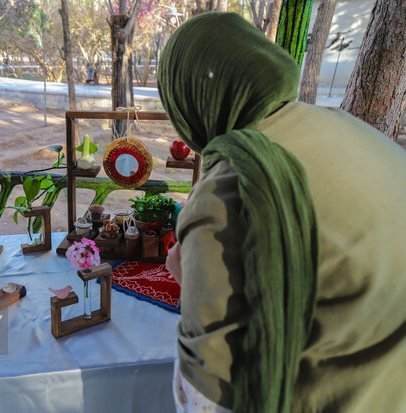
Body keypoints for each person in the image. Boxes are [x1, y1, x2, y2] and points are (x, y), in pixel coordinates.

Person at [160, 12, 406, 413]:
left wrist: (190, 280)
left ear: (186, 101)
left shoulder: (228, 191)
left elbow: (206, 395)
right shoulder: (344, 126)